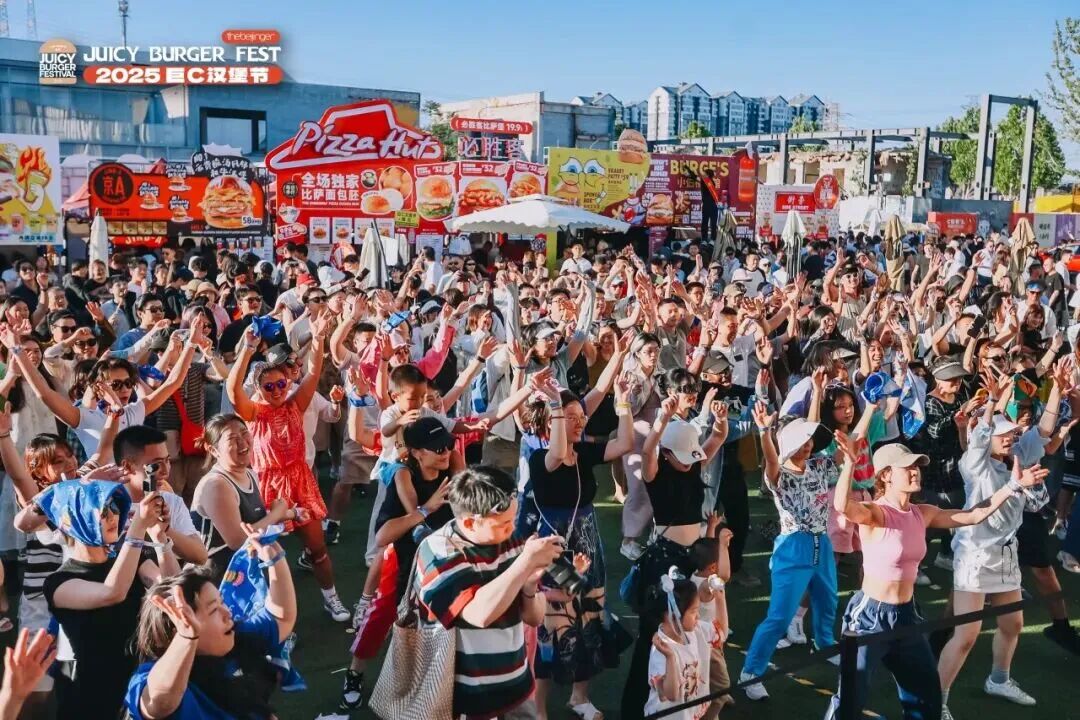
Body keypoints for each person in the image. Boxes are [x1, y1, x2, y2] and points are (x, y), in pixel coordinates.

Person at [826, 438, 1048, 720]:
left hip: (906, 616)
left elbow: (973, 515)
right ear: (886, 475)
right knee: (850, 699)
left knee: (926, 696)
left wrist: (1012, 486)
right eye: (907, 467)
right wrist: (849, 464)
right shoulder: (876, 513)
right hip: (869, 618)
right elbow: (843, 506)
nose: (915, 471)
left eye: (917, 466)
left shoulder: (923, 513)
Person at [414, 465, 563, 720]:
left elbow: (535, 617)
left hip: (515, 684)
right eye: (503, 523)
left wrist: (529, 586)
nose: (512, 529)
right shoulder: (437, 551)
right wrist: (524, 563)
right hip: (462, 695)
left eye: (513, 519)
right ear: (469, 522)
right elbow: (478, 614)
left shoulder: (511, 541)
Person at [227, 316, 350, 622]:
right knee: (268, 557)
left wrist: (318, 339)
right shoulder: (254, 412)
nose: (276, 390)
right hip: (267, 487)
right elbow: (232, 390)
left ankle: (331, 599)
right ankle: (274, 618)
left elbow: (314, 373)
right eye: (268, 386)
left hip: (300, 481)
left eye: (281, 384)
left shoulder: (296, 403)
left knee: (318, 549)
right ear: (258, 388)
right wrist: (247, 350)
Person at [341, 416, 460, 711]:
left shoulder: (453, 468)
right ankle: (354, 673)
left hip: (442, 563)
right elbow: (383, 536)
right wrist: (424, 511)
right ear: (417, 452)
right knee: (380, 618)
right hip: (404, 562)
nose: (446, 452)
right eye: (438, 448)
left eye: (448, 445)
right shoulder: (403, 478)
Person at [39, 480, 179, 719]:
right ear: (78, 519)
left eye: (115, 508)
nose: (113, 516)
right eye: (103, 511)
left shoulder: (128, 560)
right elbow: (112, 593)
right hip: (93, 699)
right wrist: (137, 528)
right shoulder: (58, 582)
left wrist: (160, 539)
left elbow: (173, 589)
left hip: (138, 689)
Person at [125, 537, 296, 720]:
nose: (227, 612)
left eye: (221, 602)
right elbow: (158, 703)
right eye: (214, 609)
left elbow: (281, 619)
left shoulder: (231, 638)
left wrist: (275, 560)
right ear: (177, 628)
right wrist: (186, 638)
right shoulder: (149, 677)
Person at [739, 409, 838, 700]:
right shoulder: (779, 474)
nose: (807, 445)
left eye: (809, 441)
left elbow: (840, 445)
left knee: (828, 600)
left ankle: (824, 644)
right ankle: (750, 673)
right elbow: (771, 460)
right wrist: (763, 432)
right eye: (800, 441)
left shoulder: (820, 464)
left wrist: (868, 408)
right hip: (792, 549)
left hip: (822, 543)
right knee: (780, 617)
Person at [190, 414, 296, 582]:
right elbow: (238, 540)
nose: (242, 442)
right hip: (216, 577)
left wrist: (292, 513)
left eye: (244, 433)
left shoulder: (249, 474)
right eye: (232, 438)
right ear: (213, 450)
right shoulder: (216, 485)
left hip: (244, 566)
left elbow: (256, 521)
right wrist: (277, 514)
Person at [643, 572, 717, 720]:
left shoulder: (693, 631)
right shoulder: (660, 651)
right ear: (673, 616)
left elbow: (721, 631)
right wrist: (670, 657)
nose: (698, 616)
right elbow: (671, 695)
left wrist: (719, 596)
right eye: (694, 611)